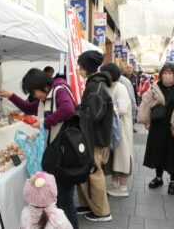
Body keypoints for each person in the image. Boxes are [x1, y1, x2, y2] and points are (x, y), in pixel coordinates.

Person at [0, 68, 77, 228]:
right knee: (61, 198)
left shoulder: (59, 90)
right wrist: (10, 96)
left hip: (65, 153)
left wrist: (44, 122)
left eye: (34, 92)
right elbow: (28, 108)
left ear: (42, 85)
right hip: (57, 152)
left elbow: (68, 109)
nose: (35, 96)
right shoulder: (46, 97)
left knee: (65, 200)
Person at [138, 63, 174, 195]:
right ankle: (158, 177)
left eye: (170, 73)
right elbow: (145, 103)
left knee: (173, 154)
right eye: (164, 73)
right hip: (158, 125)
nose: (167, 75)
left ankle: (173, 181)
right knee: (158, 151)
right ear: (161, 74)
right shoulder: (155, 87)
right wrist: (145, 120)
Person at [75, 50, 113, 222]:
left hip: (94, 138)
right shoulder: (96, 84)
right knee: (86, 171)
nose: (78, 69)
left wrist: (75, 112)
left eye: (80, 66)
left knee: (93, 172)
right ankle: (87, 205)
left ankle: (102, 211)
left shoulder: (96, 87)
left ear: (88, 67)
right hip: (91, 136)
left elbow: (92, 116)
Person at [100, 63, 133, 197]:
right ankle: (114, 184)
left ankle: (123, 187)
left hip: (121, 128)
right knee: (113, 157)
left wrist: (104, 110)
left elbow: (122, 108)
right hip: (111, 128)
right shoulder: (107, 87)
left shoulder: (121, 88)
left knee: (122, 156)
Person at [118, 66, 138, 132]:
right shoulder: (122, 78)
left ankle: (131, 126)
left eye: (130, 68)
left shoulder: (134, 77)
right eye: (127, 68)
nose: (129, 69)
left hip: (132, 96)